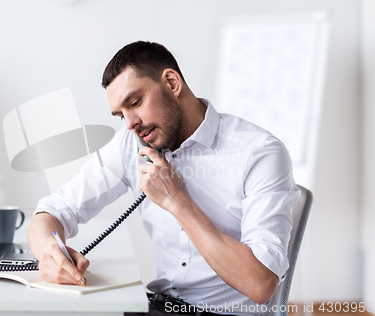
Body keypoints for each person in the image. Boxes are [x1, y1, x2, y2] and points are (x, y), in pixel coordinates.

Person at [26, 41, 300, 316]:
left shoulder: (259, 153)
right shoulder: (131, 144)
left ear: (171, 82)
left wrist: (177, 201)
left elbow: (261, 284)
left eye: (135, 103)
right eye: (121, 114)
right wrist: (51, 252)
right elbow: (53, 210)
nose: (130, 123)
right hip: (159, 307)